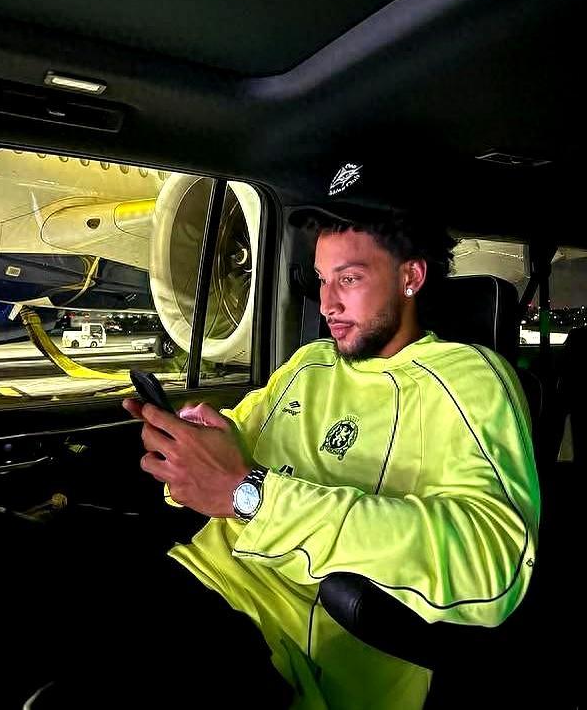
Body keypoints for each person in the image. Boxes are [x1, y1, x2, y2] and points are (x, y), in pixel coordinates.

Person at [116, 201, 539, 710]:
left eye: (349, 279)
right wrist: (187, 450)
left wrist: (253, 497)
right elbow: (230, 456)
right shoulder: (309, 363)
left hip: (288, 645)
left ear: (410, 277)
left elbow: (492, 565)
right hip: (195, 574)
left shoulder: (465, 379)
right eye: (321, 280)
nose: (326, 305)